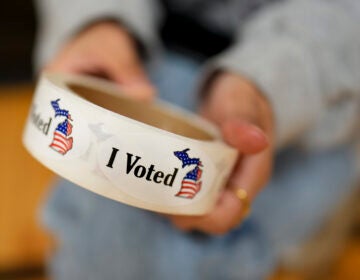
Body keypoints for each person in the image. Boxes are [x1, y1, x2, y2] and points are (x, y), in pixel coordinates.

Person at [35, 0, 360, 279]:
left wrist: (265, 88)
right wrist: (97, 22)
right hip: (155, 47)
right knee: (120, 237)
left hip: (317, 79)